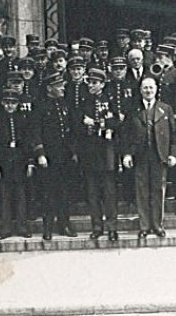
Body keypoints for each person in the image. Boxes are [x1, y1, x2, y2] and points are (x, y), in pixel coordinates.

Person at [122, 77, 176, 239]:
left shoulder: (165, 109)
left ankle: (157, 225)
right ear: (140, 90)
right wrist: (127, 154)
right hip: (140, 156)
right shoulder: (133, 110)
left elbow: (174, 134)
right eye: (145, 88)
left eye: (151, 87)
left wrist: (173, 154)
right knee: (142, 191)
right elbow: (125, 135)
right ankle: (145, 226)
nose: (148, 91)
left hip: (159, 155)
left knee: (158, 191)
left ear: (156, 89)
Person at [76, 68, 122, 241]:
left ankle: (112, 227)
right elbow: (79, 123)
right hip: (90, 151)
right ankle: (97, 226)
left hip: (107, 151)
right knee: (93, 193)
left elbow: (117, 120)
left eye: (95, 83)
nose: (91, 86)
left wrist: (102, 125)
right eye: (89, 82)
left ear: (102, 84)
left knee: (109, 193)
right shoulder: (83, 101)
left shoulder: (110, 99)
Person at [33, 73, 78, 240]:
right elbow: (36, 132)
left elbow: (71, 129)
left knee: (64, 192)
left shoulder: (65, 105)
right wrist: (40, 154)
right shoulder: (41, 106)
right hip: (49, 157)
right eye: (59, 86)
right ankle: (48, 227)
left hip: (64, 156)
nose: (63, 88)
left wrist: (73, 152)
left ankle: (64, 224)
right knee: (49, 193)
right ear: (49, 88)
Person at [0, 89, 36, 240]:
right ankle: (6, 228)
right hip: (4, 161)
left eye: (13, 103)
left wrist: (30, 162)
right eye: (7, 103)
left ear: (17, 104)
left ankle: (22, 227)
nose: (10, 106)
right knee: (5, 195)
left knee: (21, 195)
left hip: (20, 160)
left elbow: (28, 142)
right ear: (3, 103)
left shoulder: (23, 119)